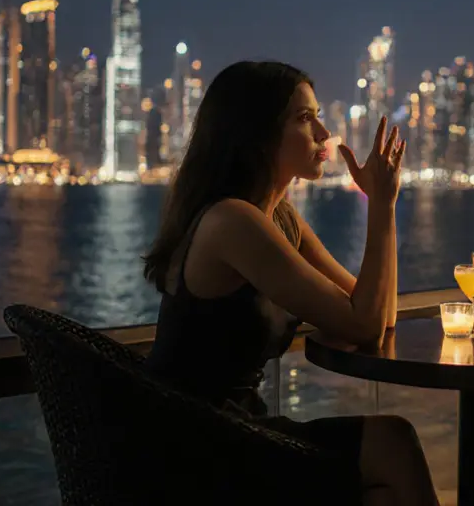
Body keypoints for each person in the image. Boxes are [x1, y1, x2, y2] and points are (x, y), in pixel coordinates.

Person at [143, 61, 438, 506]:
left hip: (236, 429)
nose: (323, 133)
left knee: (388, 479)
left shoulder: (278, 217)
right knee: (392, 444)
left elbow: (380, 315)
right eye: (304, 118)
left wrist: (385, 202)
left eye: (318, 116)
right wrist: (379, 204)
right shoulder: (232, 221)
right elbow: (366, 325)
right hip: (194, 449)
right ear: (256, 135)